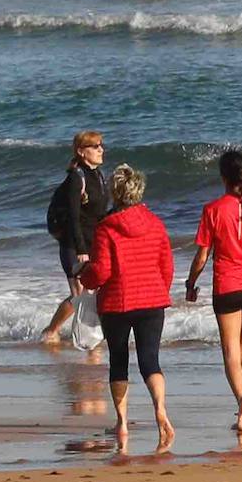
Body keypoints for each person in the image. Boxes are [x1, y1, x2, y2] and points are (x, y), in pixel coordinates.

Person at [78, 164, 175, 452]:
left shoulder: (106, 228)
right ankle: (160, 410)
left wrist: (84, 275)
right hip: (152, 300)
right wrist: (159, 290)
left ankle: (121, 423)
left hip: (117, 302)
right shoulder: (156, 224)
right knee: (150, 361)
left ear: (114, 192)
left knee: (119, 361)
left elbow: (101, 272)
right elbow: (166, 266)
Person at [183, 150, 242, 434]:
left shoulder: (212, 210)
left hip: (228, 286)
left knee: (230, 351)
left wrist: (190, 283)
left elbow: (202, 256)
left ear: (222, 177)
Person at [41, 131, 111, 343]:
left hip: (93, 243)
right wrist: (81, 249)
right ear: (81, 151)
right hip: (73, 245)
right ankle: (51, 332)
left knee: (94, 292)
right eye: (95, 146)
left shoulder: (98, 176)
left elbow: (98, 215)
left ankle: (90, 338)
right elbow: (73, 217)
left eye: (101, 145)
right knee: (79, 294)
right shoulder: (76, 177)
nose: (101, 150)